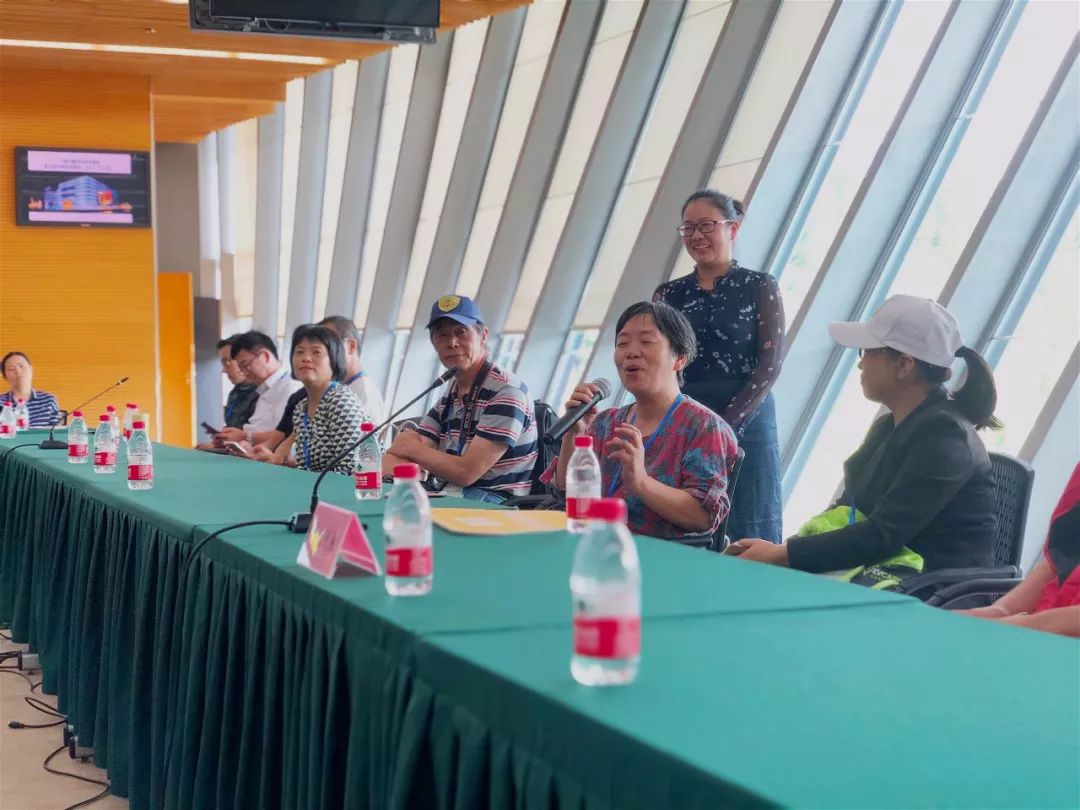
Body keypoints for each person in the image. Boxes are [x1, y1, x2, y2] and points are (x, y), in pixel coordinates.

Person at [727, 295, 999, 575]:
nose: (860, 364)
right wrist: (782, 550)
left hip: (928, 587)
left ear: (904, 365)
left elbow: (881, 536)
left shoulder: (945, 439)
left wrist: (781, 555)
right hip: (882, 573)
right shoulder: (891, 425)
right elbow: (849, 510)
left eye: (867, 352)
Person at [654, 189, 784, 543]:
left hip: (749, 415)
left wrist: (727, 425)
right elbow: (662, 362)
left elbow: (770, 364)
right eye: (689, 228)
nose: (697, 235)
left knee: (750, 522)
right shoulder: (668, 295)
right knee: (682, 516)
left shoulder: (760, 286)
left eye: (707, 225)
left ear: (733, 229)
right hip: (688, 416)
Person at [546, 301, 737, 540]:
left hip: (657, 554)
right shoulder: (606, 421)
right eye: (622, 344)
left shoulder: (704, 427)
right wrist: (574, 433)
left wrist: (640, 482)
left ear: (680, 358)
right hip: (592, 541)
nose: (631, 352)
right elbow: (566, 493)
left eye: (646, 342)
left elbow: (703, 517)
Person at [384, 295, 537, 503]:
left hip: (493, 503)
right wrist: (411, 454)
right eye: (443, 335)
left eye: (461, 332)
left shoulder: (507, 391)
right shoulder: (453, 390)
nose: (452, 343)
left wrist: (411, 449)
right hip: (448, 493)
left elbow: (466, 473)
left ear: (483, 336)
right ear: (433, 342)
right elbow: (395, 457)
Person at [957, 463, 1080, 638]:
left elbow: (1049, 626)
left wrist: (1022, 626)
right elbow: (1060, 556)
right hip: (1039, 629)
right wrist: (1000, 610)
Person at [285, 324, 369, 475]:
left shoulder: (340, 401)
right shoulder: (301, 408)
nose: (306, 358)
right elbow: (303, 466)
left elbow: (350, 467)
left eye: (316, 352)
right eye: (299, 352)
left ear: (334, 359)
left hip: (351, 486)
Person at [213, 331, 301, 448]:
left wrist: (244, 437)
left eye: (245, 365)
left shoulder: (289, 388)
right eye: (241, 368)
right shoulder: (265, 388)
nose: (244, 372)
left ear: (265, 356)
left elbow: (286, 434)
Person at [318, 316, 387, 425]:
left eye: (328, 345)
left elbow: (369, 434)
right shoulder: (340, 388)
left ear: (351, 346)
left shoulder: (365, 394)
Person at [196, 336, 259, 451]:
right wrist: (220, 438)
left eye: (227, 362)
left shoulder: (262, 393)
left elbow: (256, 438)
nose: (224, 370)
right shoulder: (234, 394)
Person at [1, 351, 61, 427]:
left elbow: (56, 432)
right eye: (11, 369)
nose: (18, 372)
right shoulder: (1, 402)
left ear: (31, 369)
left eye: (21, 366)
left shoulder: (48, 400)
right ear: (5, 376)